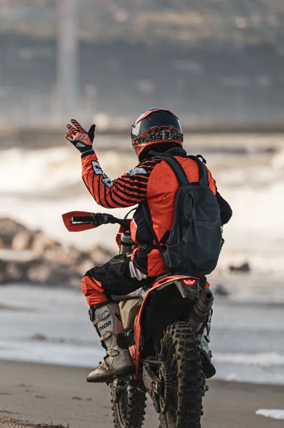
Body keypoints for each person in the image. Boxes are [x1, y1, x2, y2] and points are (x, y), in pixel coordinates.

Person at [65, 109, 232, 382]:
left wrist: (86, 152)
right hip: (198, 264)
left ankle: (116, 356)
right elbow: (224, 212)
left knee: (93, 282)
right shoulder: (201, 169)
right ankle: (200, 342)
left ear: (141, 140)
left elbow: (106, 194)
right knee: (203, 292)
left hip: (155, 264)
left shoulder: (149, 170)